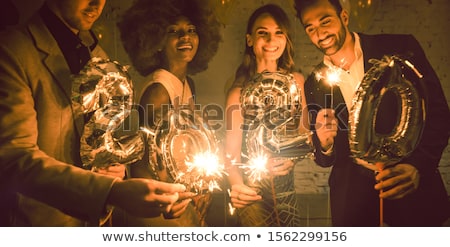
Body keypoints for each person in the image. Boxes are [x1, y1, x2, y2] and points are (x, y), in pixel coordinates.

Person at [0, 0, 187, 227]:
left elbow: (104, 142)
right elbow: (13, 159)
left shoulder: (97, 54)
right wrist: (111, 192)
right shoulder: (13, 49)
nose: (97, 3)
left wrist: (118, 170)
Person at [294, 0, 450, 226]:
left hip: (410, 186)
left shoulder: (399, 48)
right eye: (311, 28)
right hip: (353, 200)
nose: (320, 33)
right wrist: (324, 144)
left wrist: (418, 166)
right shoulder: (314, 84)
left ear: (344, 17)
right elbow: (324, 158)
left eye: (325, 21)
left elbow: (438, 113)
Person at [116, 0, 221, 226]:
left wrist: (200, 188)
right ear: (156, 41)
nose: (185, 37)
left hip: (183, 196)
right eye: (173, 31)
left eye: (191, 30)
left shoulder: (187, 84)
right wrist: (167, 203)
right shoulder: (158, 90)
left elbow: (188, 148)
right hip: (163, 205)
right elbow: (143, 163)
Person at [224, 4, 309, 227]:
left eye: (278, 32)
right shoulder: (238, 93)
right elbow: (230, 154)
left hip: (287, 191)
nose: (271, 40)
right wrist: (237, 186)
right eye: (263, 33)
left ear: (286, 39)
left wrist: (291, 157)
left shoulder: (297, 83)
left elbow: (305, 133)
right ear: (250, 40)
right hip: (251, 193)